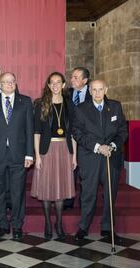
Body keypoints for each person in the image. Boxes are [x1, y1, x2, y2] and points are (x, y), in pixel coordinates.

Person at [73, 80, 127, 240]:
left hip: (111, 156)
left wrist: (111, 145)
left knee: (110, 194)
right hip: (91, 156)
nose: (97, 93)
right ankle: (83, 227)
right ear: (89, 91)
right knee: (88, 194)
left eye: (100, 89)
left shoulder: (115, 106)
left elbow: (123, 131)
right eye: (94, 90)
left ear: (106, 89)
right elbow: (77, 133)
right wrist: (98, 147)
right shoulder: (81, 109)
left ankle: (107, 228)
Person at [0, 72, 34, 241]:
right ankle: (2, 225)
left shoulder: (25, 101)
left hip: (18, 155)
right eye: (5, 82)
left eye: (12, 81)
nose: (9, 84)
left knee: (17, 191)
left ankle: (17, 225)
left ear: (15, 83)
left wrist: (29, 154)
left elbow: (29, 129)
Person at [31, 72, 77, 240]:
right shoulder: (40, 104)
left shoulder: (69, 105)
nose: (56, 85)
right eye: (53, 83)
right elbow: (36, 132)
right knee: (46, 187)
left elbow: (73, 133)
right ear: (49, 85)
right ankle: (48, 223)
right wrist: (37, 156)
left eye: (59, 82)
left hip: (65, 148)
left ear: (63, 85)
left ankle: (58, 222)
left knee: (61, 187)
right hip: (46, 149)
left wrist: (74, 156)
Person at [63, 67, 92, 210]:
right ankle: (68, 201)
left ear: (85, 80)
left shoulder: (94, 93)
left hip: (87, 140)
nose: (72, 80)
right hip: (68, 138)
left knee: (85, 174)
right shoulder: (66, 94)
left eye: (76, 77)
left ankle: (84, 204)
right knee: (70, 171)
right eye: (72, 77)